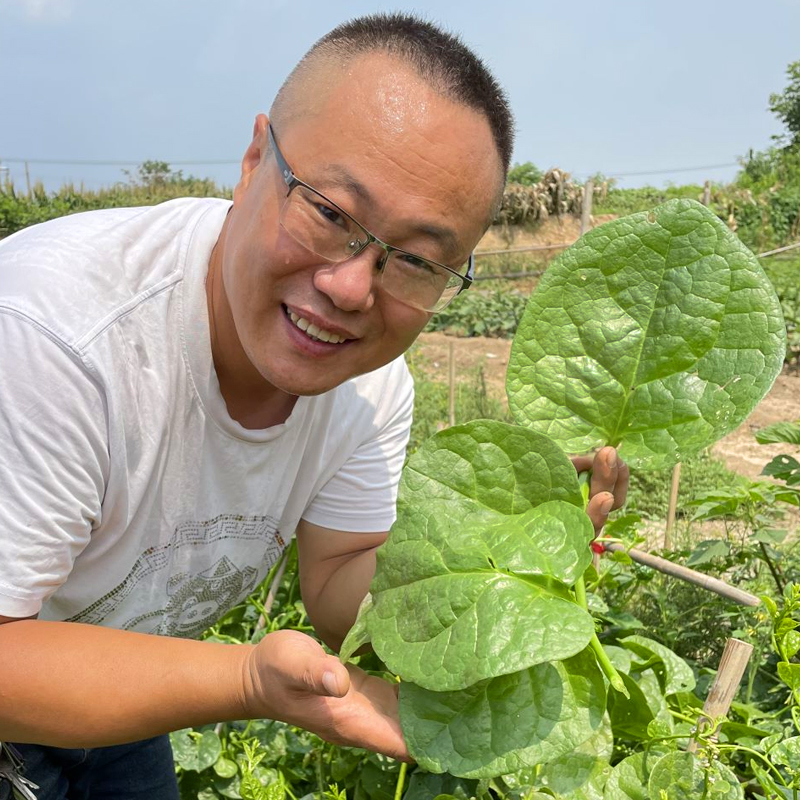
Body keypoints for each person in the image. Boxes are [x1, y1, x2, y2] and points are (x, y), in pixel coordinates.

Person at [0, 12, 628, 800]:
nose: (351, 289)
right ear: (255, 157)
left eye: (417, 261)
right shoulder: (52, 335)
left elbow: (337, 581)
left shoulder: (368, 385)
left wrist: (496, 554)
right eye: (330, 214)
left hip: (121, 684)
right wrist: (250, 680)